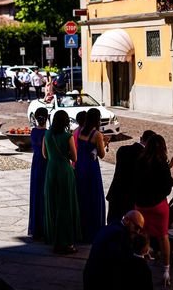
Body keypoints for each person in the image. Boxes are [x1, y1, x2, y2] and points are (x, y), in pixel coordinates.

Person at [133, 134, 173, 287]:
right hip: (158, 205)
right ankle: (166, 270)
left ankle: (142, 257)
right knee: (163, 237)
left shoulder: (139, 161)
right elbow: (167, 188)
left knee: (143, 233)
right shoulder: (162, 164)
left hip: (141, 204)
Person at [43, 110, 81, 254]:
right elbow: (75, 158)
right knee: (66, 206)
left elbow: (44, 154)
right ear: (66, 122)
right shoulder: (68, 136)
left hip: (51, 171)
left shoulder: (47, 134)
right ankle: (66, 242)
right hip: (64, 171)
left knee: (53, 204)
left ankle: (54, 238)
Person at [83, 210, 145, 290]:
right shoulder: (120, 235)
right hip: (99, 283)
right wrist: (140, 257)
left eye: (140, 230)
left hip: (90, 278)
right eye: (136, 228)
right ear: (126, 220)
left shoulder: (112, 226)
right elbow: (120, 264)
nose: (138, 232)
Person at [106, 130, 156, 223]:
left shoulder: (122, 150)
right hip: (132, 198)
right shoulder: (147, 158)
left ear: (141, 138)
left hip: (116, 193)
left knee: (112, 223)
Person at [75, 107, 108, 243]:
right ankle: (93, 231)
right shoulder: (97, 135)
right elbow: (101, 154)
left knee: (82, 197)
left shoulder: (80, 130)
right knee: (93, 197)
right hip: (91, 168)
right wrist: (104, 143)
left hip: (80, 166)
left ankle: (81, 229)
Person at [28, 107, 49, 240]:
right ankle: (45, 226)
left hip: (36, 163)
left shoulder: (33, 132)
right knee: (45, 194)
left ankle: (36, 227)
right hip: (46, 163)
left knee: (36, 193)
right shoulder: (48, 133)